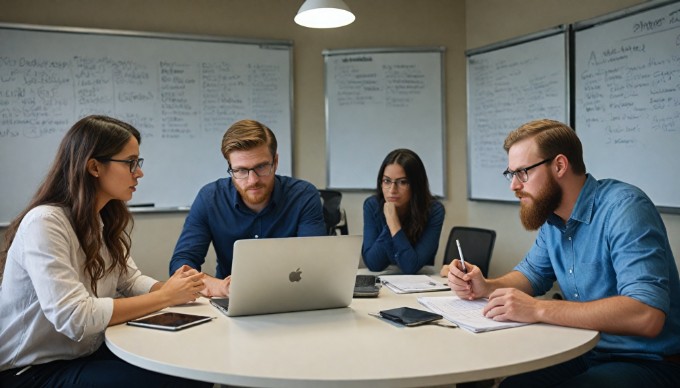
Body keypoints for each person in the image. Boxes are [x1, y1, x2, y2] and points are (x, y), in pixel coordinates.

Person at [448, 119, 680, 387]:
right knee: (514, 386)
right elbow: (532, 274)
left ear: (559, 165)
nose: (513, 185)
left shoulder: (625, 209)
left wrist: (538, 309)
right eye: (510, 174)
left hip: (649, 360)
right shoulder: (554, 219)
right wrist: (486, 286)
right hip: (587, 351)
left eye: (522, 172)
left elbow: (646, 315)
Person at [0, 115, 210, 387]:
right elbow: (76, 318)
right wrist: (166, 296)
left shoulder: (100, 218)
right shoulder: (45, 222)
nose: (139, 172)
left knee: (191, 364)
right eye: (130, 163)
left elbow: (129, 280)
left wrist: (175, 288)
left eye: (138, 162)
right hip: (31, 370)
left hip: (83, 352)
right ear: (94, 167)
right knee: (186, 381)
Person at [169, 119, 326, 297]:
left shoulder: (303, 196)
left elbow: (315, 264)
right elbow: (181, 265)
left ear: (275, 161)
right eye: (241, 170)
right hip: (230, 299)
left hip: (294, 297)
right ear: (230, 168)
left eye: (261, 167)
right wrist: (220, 287)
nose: (253, 180)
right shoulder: (210, 198)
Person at [362, 148, 445, 274]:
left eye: (403, 182)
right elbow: (373, 264)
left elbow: (411, 266)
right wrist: (388, 229)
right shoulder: (372, 205)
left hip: (420, 284)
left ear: (416, 185)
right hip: (386, 282)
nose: (392, 190)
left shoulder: (434, 211)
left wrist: (394, 223)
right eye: (387, 181)